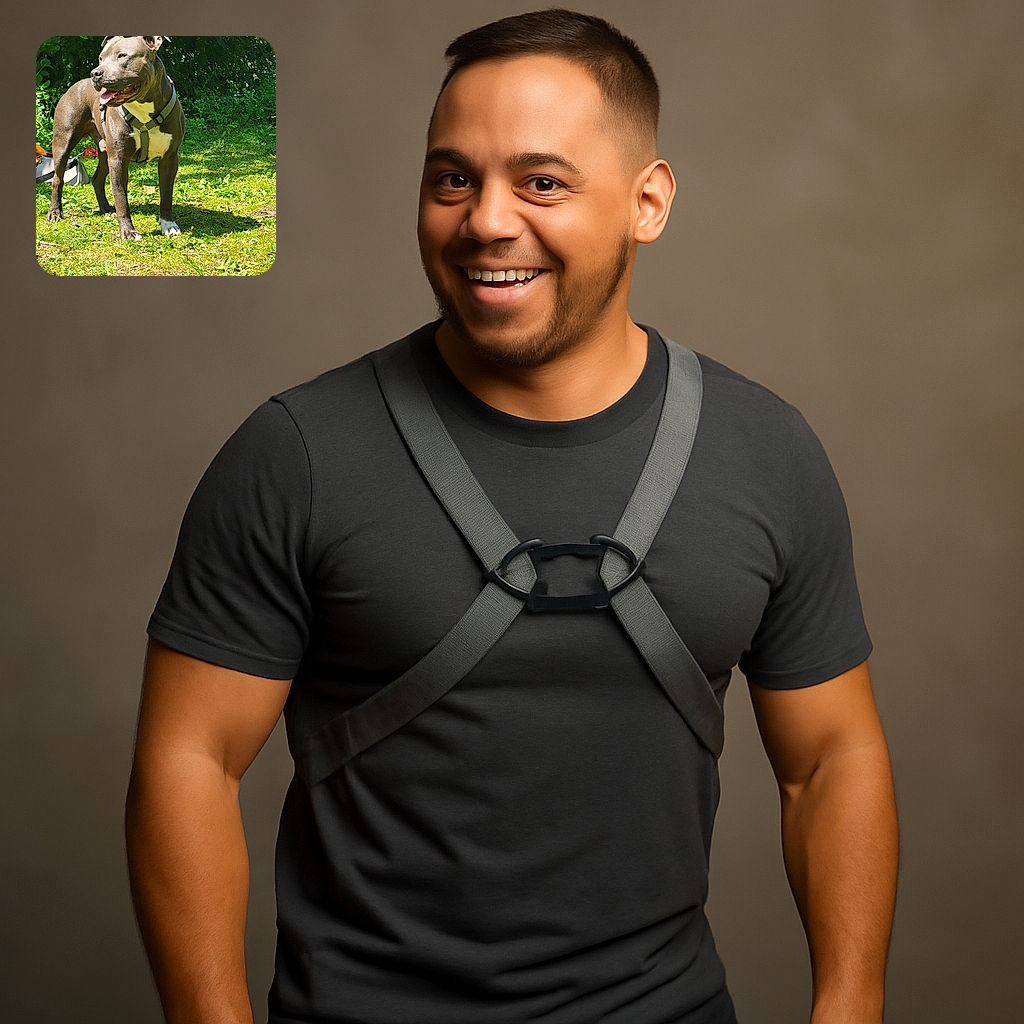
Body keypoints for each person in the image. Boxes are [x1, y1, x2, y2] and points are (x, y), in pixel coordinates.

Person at [126, 10, 898, 1024]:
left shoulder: (766, 453)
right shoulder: (296, 455)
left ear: (647, 202)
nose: (485, 218)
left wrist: (851, 1004)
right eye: (453, 178)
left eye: (540, 181)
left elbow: (830, 758)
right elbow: (188, 759)